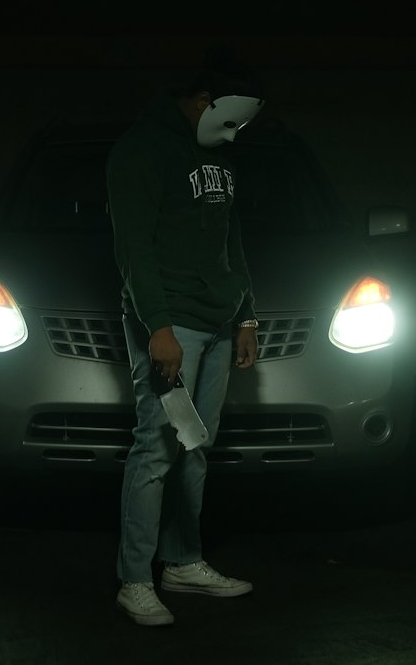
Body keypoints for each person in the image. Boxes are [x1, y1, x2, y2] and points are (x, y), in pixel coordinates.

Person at [106, 48, 265, 627]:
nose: (235, 135)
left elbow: (232, 237)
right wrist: (160, 329)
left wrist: (246, 315)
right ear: (202, 101)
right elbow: (134, 252)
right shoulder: (141, 151)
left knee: (196, 447)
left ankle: (183, 561)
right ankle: (133, 580)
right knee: (156, 447)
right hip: (172, 322)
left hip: (221, 321)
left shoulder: (217, 157)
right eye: (230, 120)